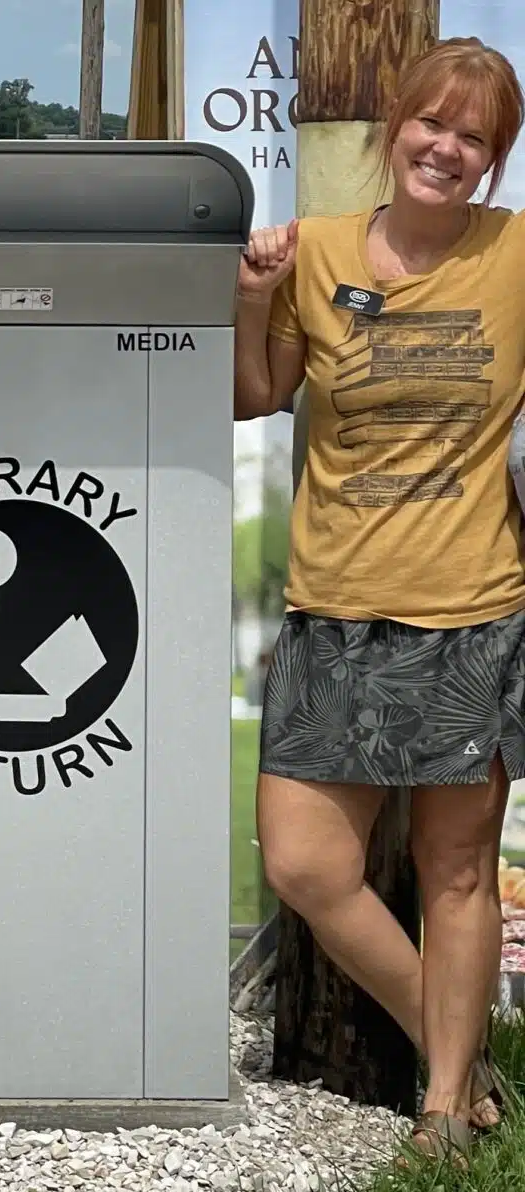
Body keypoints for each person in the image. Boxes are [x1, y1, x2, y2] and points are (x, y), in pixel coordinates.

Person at [234, 36, 525, 1169]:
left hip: (472, 608)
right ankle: (457, 1041)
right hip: (334, 604)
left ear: (493, 161)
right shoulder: (313, 249)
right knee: (308, 864)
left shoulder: (514, 257)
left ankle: (447, 1111)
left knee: (456, 870)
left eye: (476, 138)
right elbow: (259, 395)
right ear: (394, 126)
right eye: (434, 124)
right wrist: (250, 296)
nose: (447, 149)